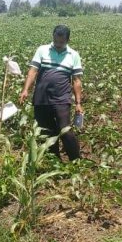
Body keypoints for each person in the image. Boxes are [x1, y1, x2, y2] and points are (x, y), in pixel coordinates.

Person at [19, 25, 84, 160]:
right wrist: (26, 90)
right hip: (41, 97)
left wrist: (78, 103)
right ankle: (55, 161)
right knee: (46, 131)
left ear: (68, 40)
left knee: (65, 130)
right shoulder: (42, 50)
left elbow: (76, 81)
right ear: (53, 37)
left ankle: (76, 161)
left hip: (62, 98)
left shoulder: (74, 55)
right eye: (56, 41)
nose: (58, 44)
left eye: (62, 42)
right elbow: (33, 71)